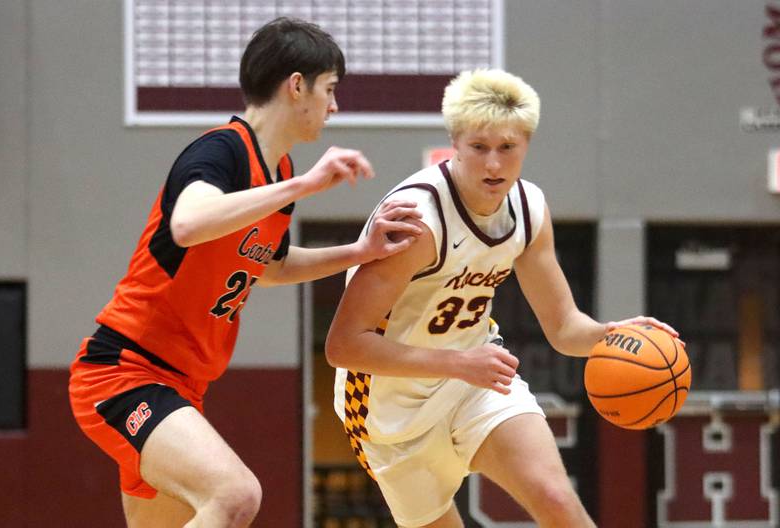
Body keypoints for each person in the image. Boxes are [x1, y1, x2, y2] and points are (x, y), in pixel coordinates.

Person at [68, 17, 422, 528]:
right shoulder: (223, 150)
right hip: (124, 372)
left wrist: (360, 250)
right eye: (330, 90)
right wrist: (304, 186)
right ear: (296, 86)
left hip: (182, 385)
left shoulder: (276, 173)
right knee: (235, 496)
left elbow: (270, 267)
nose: (335, 106)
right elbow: (188, 224)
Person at [325, 69, 679, 528]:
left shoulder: (529, 209)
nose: (494, 164)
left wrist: (611, 335)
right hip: (387, 404)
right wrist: (456, 362)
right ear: (456, 142)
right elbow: (343, 347)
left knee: (556, 498)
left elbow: (564, 327)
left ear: (526, 144)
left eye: (507, 148)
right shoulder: (419, 219)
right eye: (479, 148)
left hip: (475, 378)